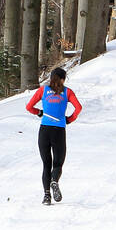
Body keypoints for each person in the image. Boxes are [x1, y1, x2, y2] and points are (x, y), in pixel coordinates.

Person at [26, 67, 82, 205]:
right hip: (59, 130)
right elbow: (78, 108)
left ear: (51, 78)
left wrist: (39, 113)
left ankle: (46, 197)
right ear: (63, 79)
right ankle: (54, 180)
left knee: (46, 164)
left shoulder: (43, 90)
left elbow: (29, 107)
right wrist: (69, 119)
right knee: (57, 163)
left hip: (44, 130)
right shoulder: (67, 92)